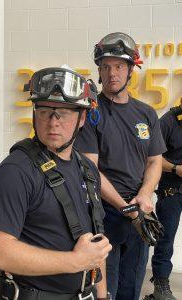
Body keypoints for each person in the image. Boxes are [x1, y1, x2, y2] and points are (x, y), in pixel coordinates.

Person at [0, 67, 112, 300]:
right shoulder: (15, 171)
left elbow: (95, 246)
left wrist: (101, 295)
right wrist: (74, 261)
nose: (53, 122)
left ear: (82, 118)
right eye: (44, 111)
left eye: (63, 112)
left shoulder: (87, 170)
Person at [74, 32, 166, 300]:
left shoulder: (146, 113)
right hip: (105, 215)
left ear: (130, 71)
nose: (112, 73)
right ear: (99, 71)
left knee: (132, 285)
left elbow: (154, 160)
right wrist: (125, 208)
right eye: (106, 66)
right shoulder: (91, 113)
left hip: (140, 212)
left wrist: (145, 194)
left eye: (119, 66)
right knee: (106, 289)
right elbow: (90, 169)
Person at [145, 98, 182, 300]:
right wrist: (177, 169)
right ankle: (161, 286)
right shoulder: (168, 121)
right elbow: (153, 157)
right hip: (172, 191)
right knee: (165, 239)